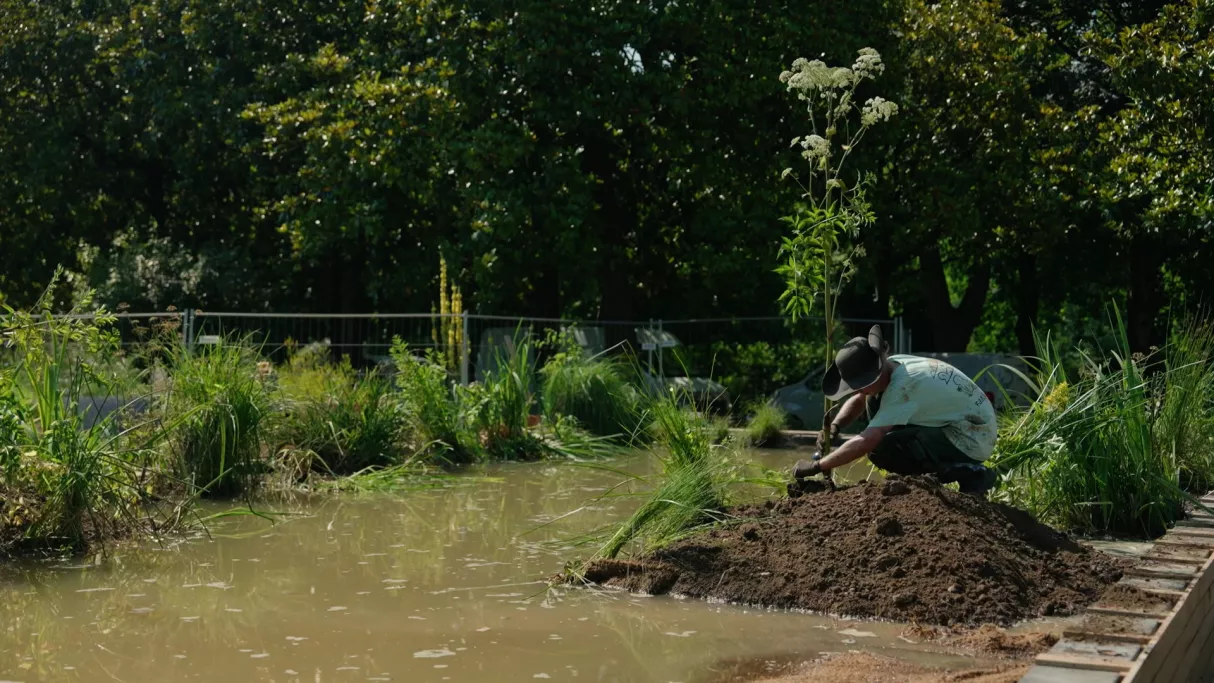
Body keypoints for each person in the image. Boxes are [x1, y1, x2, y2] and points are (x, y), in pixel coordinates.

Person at [792, 325, 998, 495]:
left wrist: (818, 466)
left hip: (972, 437)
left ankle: (971, 473)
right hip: (963, 423)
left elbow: (867, 440)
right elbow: (861, 398)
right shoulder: (894, 365)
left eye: (860, 385)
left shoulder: (902, 388)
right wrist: (836, 426)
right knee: (873, 403)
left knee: (881, 447)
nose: (858, 390)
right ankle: (921, 477)